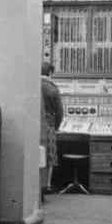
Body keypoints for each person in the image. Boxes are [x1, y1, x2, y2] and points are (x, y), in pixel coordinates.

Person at [40, 62, 64, 200]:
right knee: (49, 156)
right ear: (50, 73)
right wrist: (57, 126)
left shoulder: (32, 85)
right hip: (48, 125)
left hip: (35, 126)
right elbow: (59, 112)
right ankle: (47, 185)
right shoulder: (52, 88)